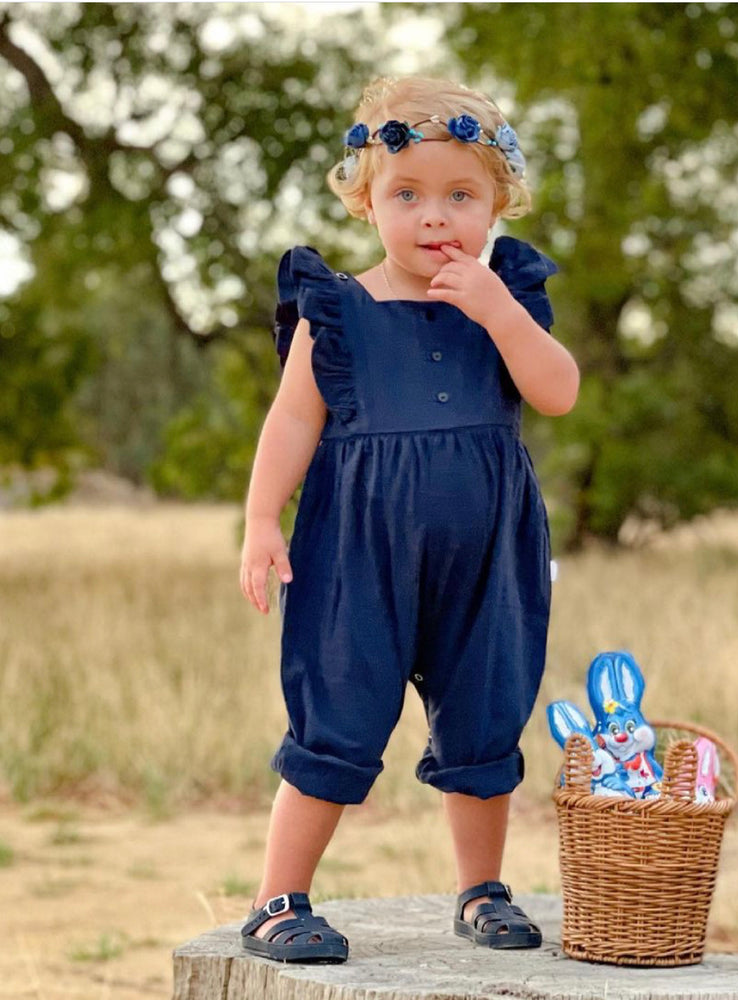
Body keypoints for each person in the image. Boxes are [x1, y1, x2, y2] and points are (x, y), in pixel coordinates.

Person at [238, 75, 579, 963]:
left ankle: (480, 891)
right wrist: (261, 521)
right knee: (338, 711)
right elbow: (292, 421)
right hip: (357, 549)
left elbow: (559, 392)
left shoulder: (504, 299)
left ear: (498, 202)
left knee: (485, 710)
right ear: (365, 200)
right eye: (408, 195)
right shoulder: (339, 310)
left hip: (487, 556)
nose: (436, 218)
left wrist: (498, 310)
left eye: (462, 196)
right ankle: (279, 899)